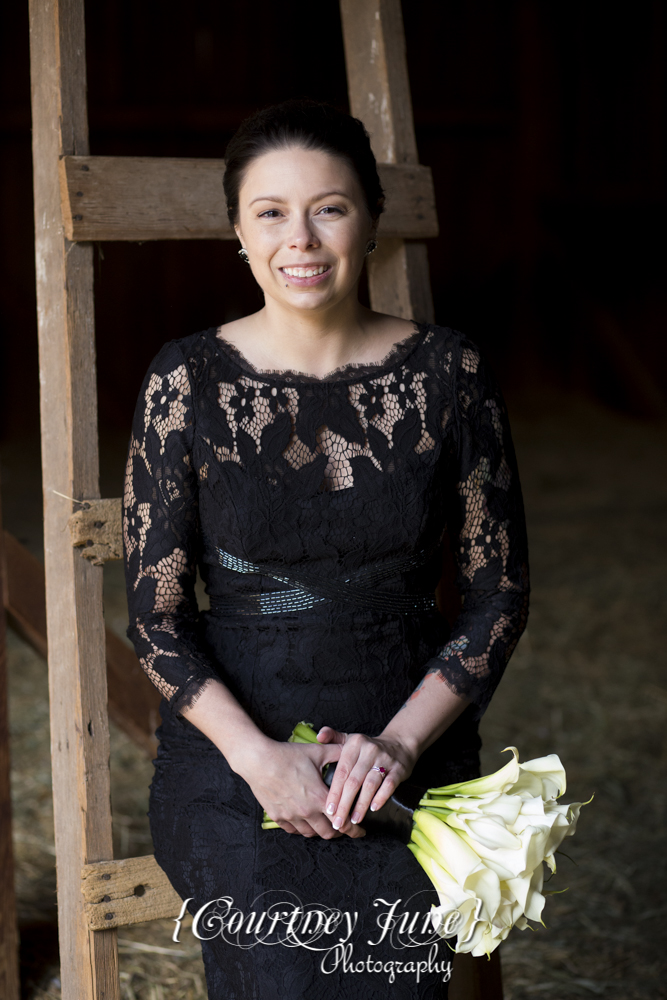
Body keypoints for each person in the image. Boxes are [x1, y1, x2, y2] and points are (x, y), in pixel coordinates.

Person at [123, 99, 529, 999]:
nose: (299, 239)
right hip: (235, 757)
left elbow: (498, 598)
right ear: (236, 229)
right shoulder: (184, 381)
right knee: (276, 965)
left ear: (372, 219)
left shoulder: (448, 375)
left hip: (405, 741)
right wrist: (259, 761)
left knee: (391, 968)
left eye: (329, 208)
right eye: (270, 211)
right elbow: (152, 620)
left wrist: (398, 747)